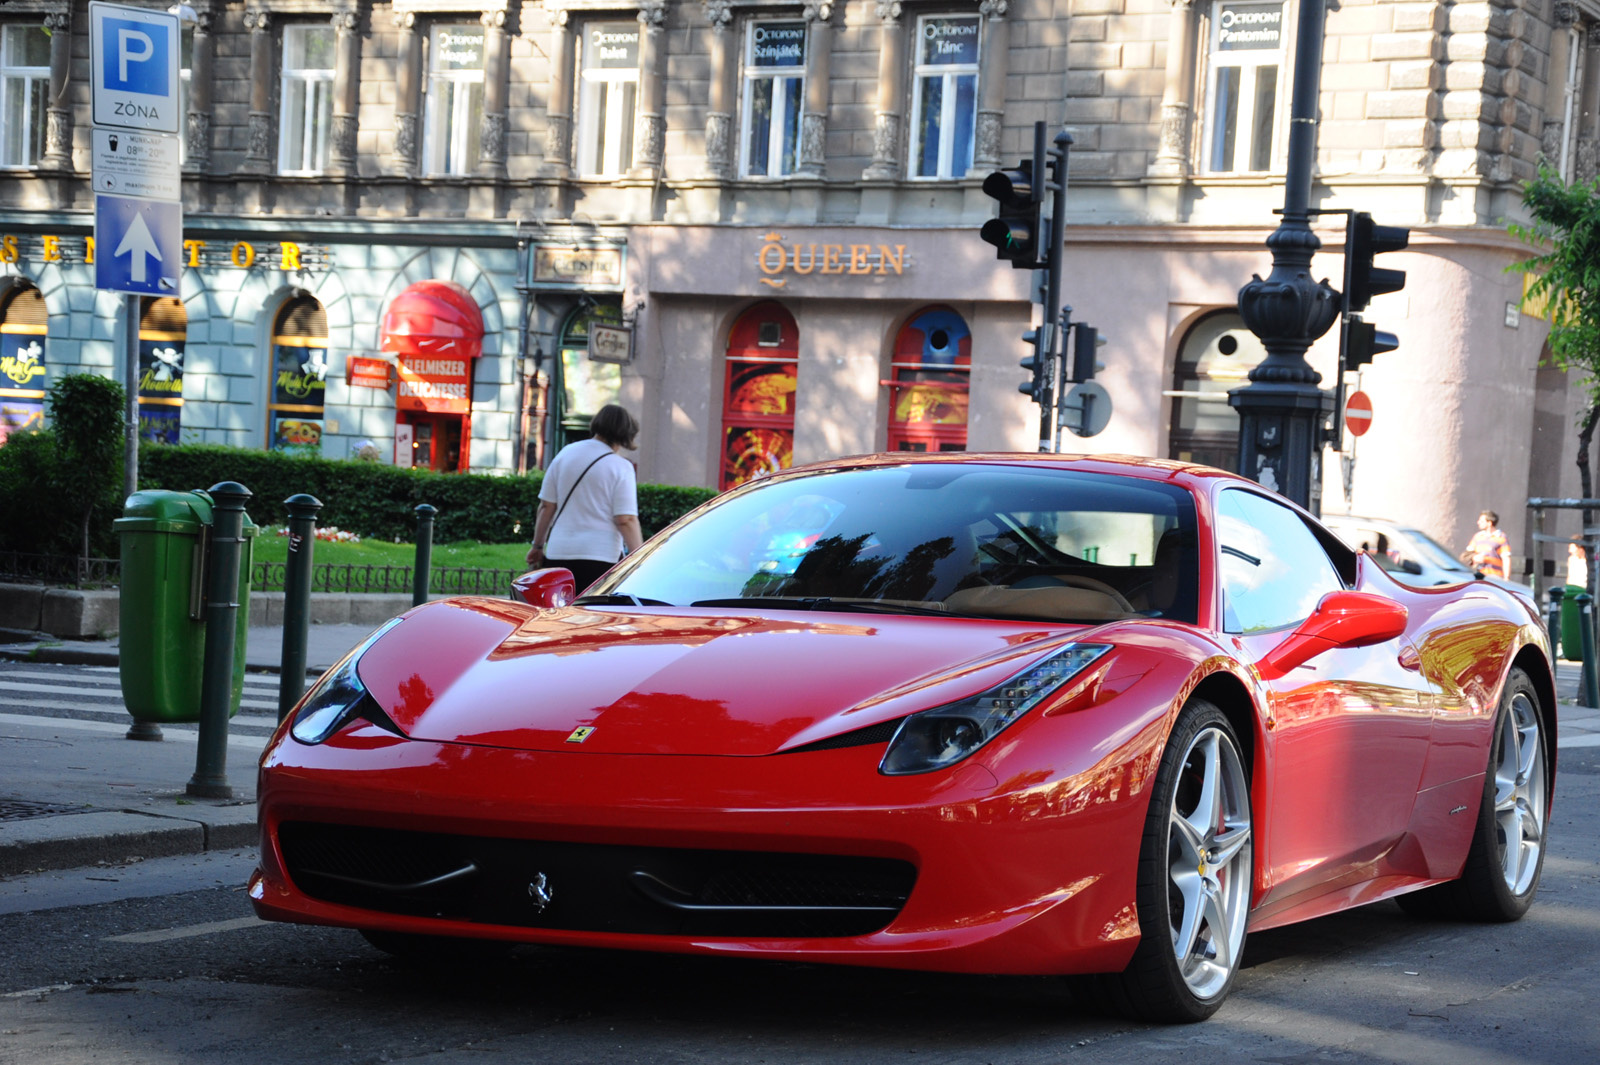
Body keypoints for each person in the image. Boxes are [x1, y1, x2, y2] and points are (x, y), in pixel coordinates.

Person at [525, 404, 644, 592]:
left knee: (561, 616)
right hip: (600, 558)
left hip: (559, 553)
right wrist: (640, 558)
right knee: (592, 617)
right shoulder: (620, 466)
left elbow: (546, 506)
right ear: (625, 434)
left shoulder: (564, 454)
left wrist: (538, 545)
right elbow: (626, 519)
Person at [1462, 509, 1512, 580]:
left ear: (1489, 523)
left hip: (1495, 578)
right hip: (1478, 576)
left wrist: (1506, 578)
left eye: (1481, 521)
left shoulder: (1501, 537)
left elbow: (1506, 559)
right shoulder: (1477, 536)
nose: (1478, 522)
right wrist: (1474, 557)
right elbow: (1465, 555)